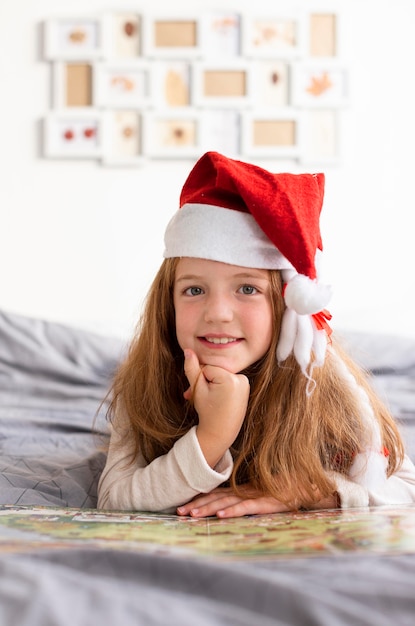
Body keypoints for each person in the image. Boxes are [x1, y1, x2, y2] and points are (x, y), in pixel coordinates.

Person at [97, 151, 415, 518]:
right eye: (194, 290)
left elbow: (405, 487)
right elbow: (114, 498)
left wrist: (307, 491)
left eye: (247, 289)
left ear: (286, 306)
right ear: (167, 304)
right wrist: (212, 437)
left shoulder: (324, 387)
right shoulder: (146, 382)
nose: (217, 313)